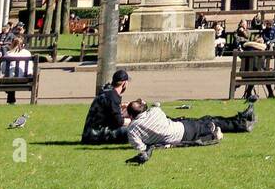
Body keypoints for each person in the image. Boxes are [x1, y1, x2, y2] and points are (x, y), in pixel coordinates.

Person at [123, 97, 255, 163]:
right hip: (182, 130)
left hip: (178, 133)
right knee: (210, 121)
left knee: (207, 120)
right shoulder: (155, 111)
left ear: (130, 115)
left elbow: (139, 147)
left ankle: (241, 119)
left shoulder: (133, 129)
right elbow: (151, 106)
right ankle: (242, 124)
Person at [82, 68, 132, 143]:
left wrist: (121, 108)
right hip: (95, 135)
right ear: (124, 83)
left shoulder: (107, 91)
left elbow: (110, 115)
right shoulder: (112, 96)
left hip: (89, 134)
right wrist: (132, 121)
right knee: (133, 130)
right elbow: (118, 122)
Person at [0, 33, 33, 105]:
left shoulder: (8, 54)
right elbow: (30, 67)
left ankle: (11, 99)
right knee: (11, 76)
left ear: (12, 44)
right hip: (25, 78)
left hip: (10, 79)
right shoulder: (27, 53)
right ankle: (11, 99)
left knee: (9, 77)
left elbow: (3, 69)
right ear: (22, 45)